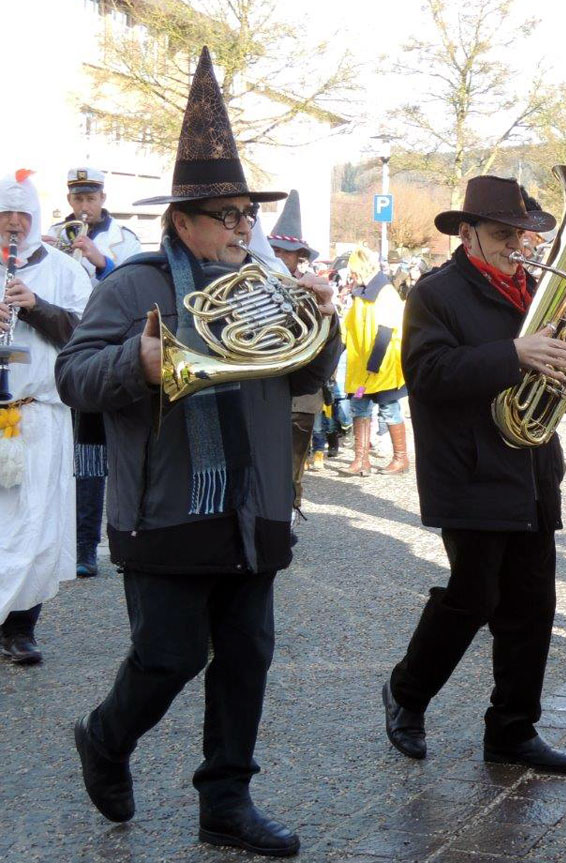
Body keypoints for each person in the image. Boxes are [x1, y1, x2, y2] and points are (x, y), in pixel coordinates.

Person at [56, 48, 340, 857]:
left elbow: (303, 375)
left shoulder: (267, 284)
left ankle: (226, 799)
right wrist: (137, 364)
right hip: (165, 502)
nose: (242, 228)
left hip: (252, 503)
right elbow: (75, 374)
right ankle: (106, 738)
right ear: (182, 220)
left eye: (247, 215)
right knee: (170, 654)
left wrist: (325, 322)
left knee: (247, 653)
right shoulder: (133, 285)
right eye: (227, 215)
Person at [381, 174, 566, 773]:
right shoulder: (435, 293)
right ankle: (407, 691)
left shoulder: (540, 292)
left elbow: (553, 373)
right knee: (474, 597)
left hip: (530, 465)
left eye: (522, 234)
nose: (517, 245)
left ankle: (512, 731)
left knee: (533, 604)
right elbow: (428, 375)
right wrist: (513, 354)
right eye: (503, 234)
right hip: (469, 468)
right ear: (468, 233)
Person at [0, 170, 92, 665]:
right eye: (5, 214)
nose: (13, 224)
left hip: (38, 416)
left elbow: (88, 333)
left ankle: (19, 629)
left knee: (35, 522)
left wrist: (35, 307)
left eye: (22, 215)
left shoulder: (62, 269)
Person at [46, 169, 141, 578]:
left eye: (90, 198)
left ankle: (88, 546)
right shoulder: (52, 233)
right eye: (77, 198)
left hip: (105, 349)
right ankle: (59, 543)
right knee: (57, 456)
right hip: (59, 345)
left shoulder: (125, 238)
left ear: (103, 197)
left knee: (92, 456)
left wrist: (101, 260)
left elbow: (139, 287)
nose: (83, 206)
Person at [267, 190, 329, 534]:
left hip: (300, 396)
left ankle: (286, 518)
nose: (276, 257)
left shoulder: (311, 292)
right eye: (272, 250)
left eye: (283, 253)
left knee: (290, 466)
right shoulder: (256, 285)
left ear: (298, 257)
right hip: (264, 389)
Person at [341, 246, 409, 476]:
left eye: (352, 271)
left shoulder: (385, 293)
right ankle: (361, 460)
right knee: (359, 407)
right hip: (363, 366)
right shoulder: (360, 293)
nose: (350, 276)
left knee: (389, 410)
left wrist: (374, 363)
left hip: (382, 365)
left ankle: (401, 459)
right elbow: (348, 328)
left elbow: (386, 330)